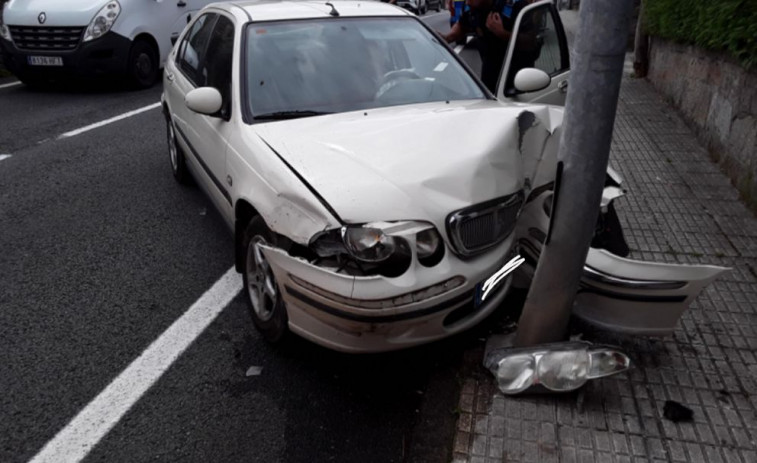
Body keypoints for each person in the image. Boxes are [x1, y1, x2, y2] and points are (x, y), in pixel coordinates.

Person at [441, 0, 537, 93]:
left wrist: (503, 34)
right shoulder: (472, 7)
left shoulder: (516, 5)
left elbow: (531, 41)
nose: (467, 2)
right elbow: (462, 25)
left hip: (520, 80)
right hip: (490, 76)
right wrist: (448, 37)